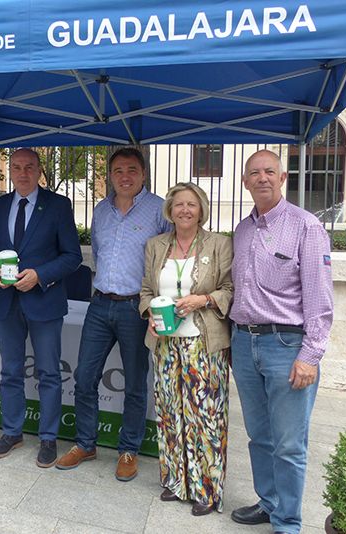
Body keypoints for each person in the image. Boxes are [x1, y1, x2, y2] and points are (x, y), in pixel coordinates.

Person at [229, 150, 333, 534]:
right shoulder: (242, 230)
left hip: (286, 347)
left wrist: (311, 355)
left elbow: (320, 299)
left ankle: (288, 523)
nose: (262, 178)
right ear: (245, 182)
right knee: (259, 436)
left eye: (269, 171)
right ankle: (269, 503)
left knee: (289, 444)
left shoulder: (307, 227)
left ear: (283, 177)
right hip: (244, 343)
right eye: (254, 173)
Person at [55, 147, 169, 481]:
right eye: (118, 170)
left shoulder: (159, 209)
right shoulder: (101, 210)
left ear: (143, 174)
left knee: (134, 382)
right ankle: (85, 443)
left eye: (132, 170)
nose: (125, 176)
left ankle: (128, 449)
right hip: (100, 303)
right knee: (84, 377)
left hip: (137, 307)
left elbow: (168, 257)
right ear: (109, 175)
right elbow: (99, 253)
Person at [0, 148, 82, 468]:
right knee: (10, 371)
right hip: (6, 302)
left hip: (44, 301)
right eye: (17, 167)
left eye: (29, 167)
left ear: (39, 171)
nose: (22, 173)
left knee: (49, 372)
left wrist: (40, 275)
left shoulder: (58, 205)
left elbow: (72, 256)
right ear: (9, 171)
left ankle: (48, 438)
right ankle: (12, 432)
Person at [139, 182, 233, 515]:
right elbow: (146, 290)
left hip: (203, 341)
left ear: (201, 209)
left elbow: (230, 289)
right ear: (170, 210)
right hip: (165, 342)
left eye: (191, 204)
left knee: (204, 414)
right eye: (179, 204)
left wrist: (202, 299)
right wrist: (149, 314)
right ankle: (175, 481)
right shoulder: (155, 245)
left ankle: (206, 489)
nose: (185, 210)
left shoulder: (219, 244)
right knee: (169, 412)